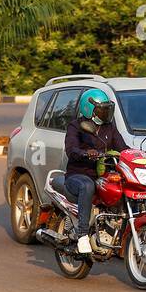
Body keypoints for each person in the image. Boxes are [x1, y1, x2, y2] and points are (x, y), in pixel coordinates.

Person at [62, 87, 129, 240]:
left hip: (103, 174)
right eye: (102, 110)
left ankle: (118, 226)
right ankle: (83, 234)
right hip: (79, 175)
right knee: (87, 185)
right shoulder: (76, 126)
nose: (106, 113)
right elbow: (71, 149)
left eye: (107, 109)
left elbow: (122, 148)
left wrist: (142, 154)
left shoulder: (109, 127)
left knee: (123, 185)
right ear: (89, 109)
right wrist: (86, 153)